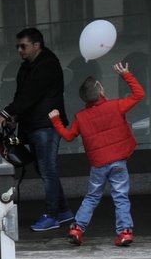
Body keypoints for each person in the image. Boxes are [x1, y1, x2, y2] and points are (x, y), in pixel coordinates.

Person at [50, 62, 145, 248]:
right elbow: (139, 95)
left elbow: (69, 136)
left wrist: (56, 120)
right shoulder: (116, 106)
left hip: (98, 165)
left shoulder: (81, 117)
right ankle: (125, 232)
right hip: (118, 162)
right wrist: (126, 74)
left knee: (92, 197)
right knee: (121, 197)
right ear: (101, 91)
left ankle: (77, 229)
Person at [0, 28, 71, 231]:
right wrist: (15, 116)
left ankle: (52, 215)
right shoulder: (27, 67)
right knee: (44, 169)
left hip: (45, 126)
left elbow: (30, 95)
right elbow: (23, 96)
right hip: (34, 125)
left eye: (23, 46)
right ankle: (63, 211)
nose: (19, 50)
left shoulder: (47, 66)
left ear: (37, 45)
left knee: (47, 170)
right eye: (18, 46)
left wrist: (5, 113)